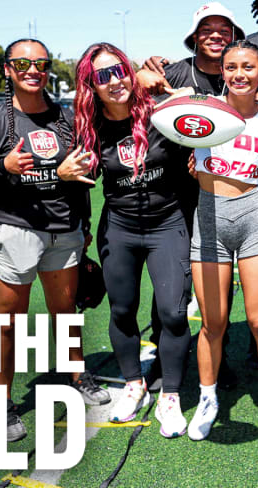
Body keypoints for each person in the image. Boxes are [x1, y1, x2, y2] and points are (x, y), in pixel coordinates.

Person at [0, 38, 109, 443]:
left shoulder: (67, 119)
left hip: (64, 231)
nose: (32, 70)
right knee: (8, 324)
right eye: (22, 63)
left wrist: (86, 226)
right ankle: (2, 402)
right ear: (7, 69)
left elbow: (78, 177)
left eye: (40, 63)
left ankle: (77, 375)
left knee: (66, 314)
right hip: (14, 231)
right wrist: (3, 168)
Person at [70, 42, 193, 438]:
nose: (115, 81)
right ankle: (134, 385)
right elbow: (78, 181)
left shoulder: (159, 112)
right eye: (103, 76)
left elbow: (202, 111)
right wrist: (66, 174)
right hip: (119, 227)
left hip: (167, 223)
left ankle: (170, 395)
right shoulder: (89, 126)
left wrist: (175, 98)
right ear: (91, 85)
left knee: (173, 313)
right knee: (123, 311)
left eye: (120, 70)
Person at [136, 1, 243, 391]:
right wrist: (140, 74)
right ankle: (165, 361)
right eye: (207, 29)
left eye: (223, 29)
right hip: (175, 196)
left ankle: (218, 355)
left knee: (220, 281)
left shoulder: (242, 72)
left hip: (226, 192)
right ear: (194, 36)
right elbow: (132, 99)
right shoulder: (175, 71)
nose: (216, 36)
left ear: (234, 36)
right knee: (173, 282)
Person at [188, 40, 258, 443]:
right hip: (209, 214)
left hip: (252, 217)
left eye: (248, 67)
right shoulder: (201, 113)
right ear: (221, 72)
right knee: (213, 323)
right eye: (231, 67)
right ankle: (208, 399)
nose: (239, 74)